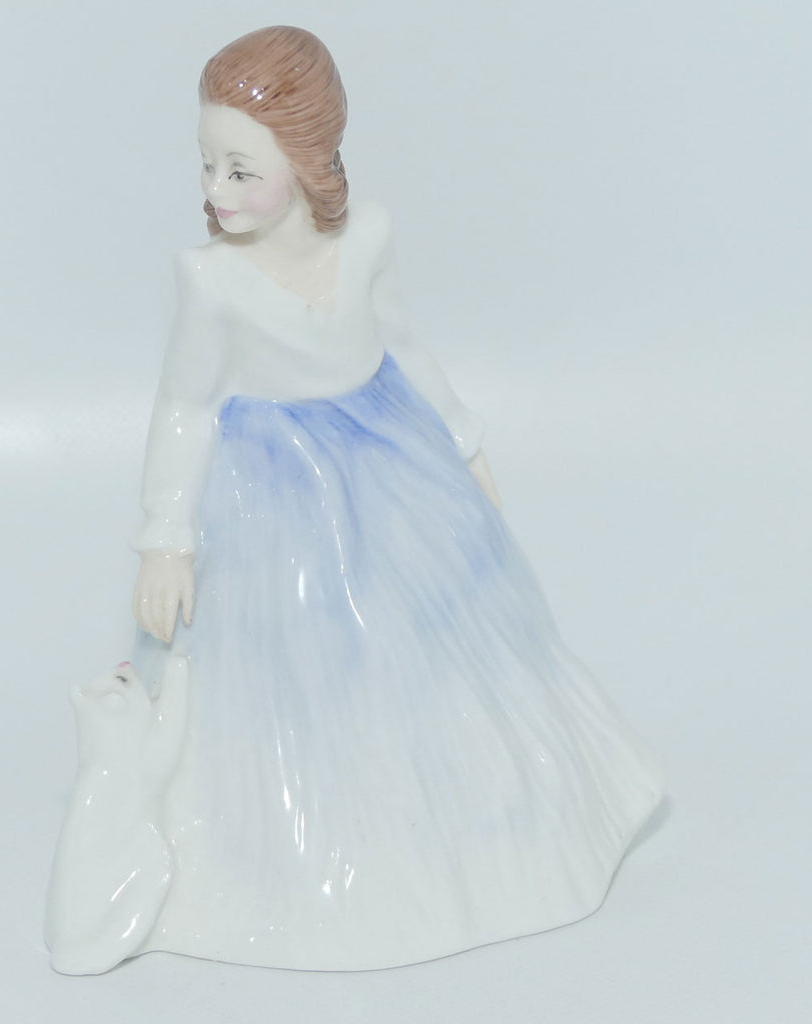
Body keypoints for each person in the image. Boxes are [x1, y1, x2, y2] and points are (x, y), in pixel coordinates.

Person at [123, 25, 661, 971]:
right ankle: (305, 852)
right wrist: (166, 536)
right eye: (207, 164)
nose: (216, 190)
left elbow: (405, 345)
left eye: (242, 170)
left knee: (434, 644)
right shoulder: (209, 280)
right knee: (302, 663)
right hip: (275, 493)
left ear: (309, 158)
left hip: (388, 460)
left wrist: (464, 441)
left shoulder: (366, 237)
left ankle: (455, 830)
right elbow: (185, 406)